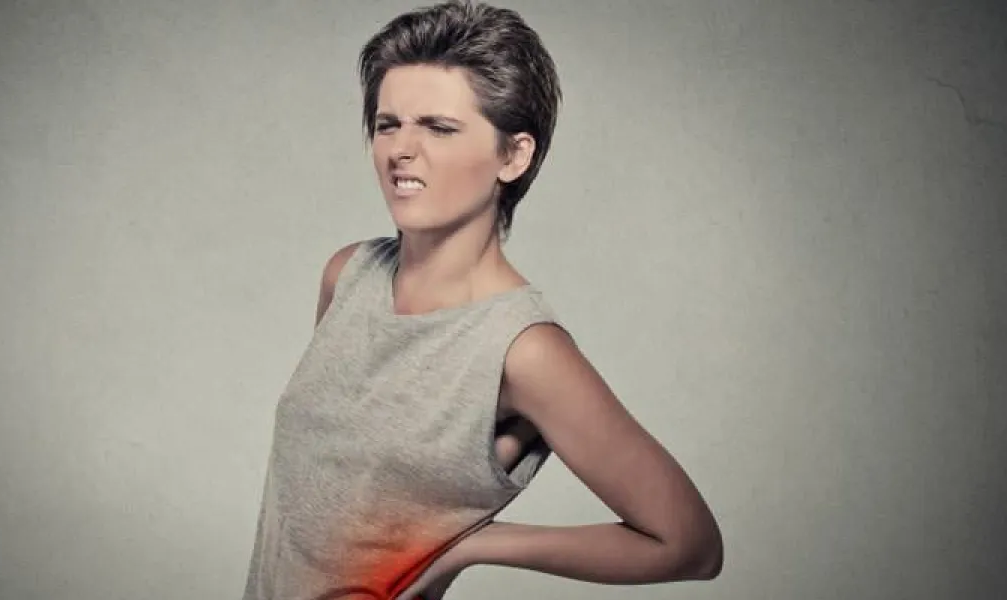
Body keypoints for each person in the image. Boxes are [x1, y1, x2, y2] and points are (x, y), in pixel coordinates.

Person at [240, 2, 723, 599]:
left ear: (512, 156)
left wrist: (470, 544)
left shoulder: (522, 350)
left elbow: (690, 544)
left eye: (438, 127)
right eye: (389, 124)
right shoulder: (348, 275)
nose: (401, 150)